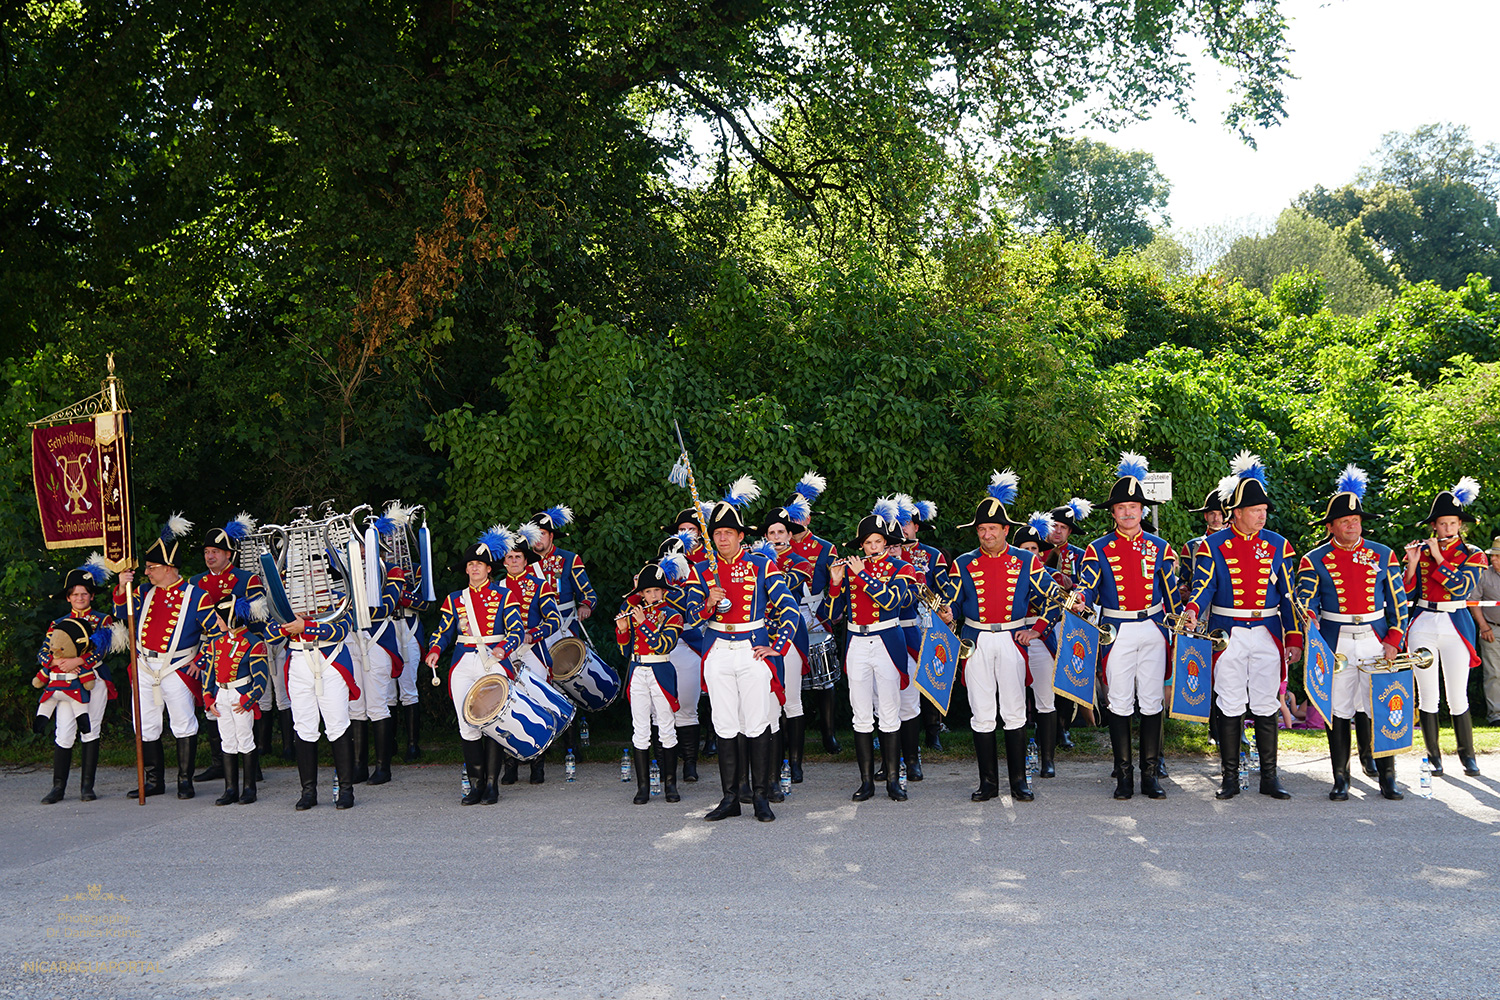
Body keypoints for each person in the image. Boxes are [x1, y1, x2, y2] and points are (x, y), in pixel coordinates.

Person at [937, 471, 1060, 803]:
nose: (987, 534)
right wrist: (948, 614)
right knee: (981, 711)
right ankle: (988, 783)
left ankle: (1019, 781)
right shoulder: (962, 563)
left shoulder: (1026, 561)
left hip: (1011, 639)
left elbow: (1054, 598)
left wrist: (1038, 628)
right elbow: (953, 603)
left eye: (993, 528)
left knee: (1015, 710)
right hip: (976, 642)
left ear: (1006, 530)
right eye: (981, 529)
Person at [1181, 453, 1299, 800]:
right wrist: (1191, 608)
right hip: (1227, 633)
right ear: (1237, 512)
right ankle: (1230, 778)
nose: (1262, 515)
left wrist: (1293, 636)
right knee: (1230, 703)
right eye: (1255, 510)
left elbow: (1288, 596)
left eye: (1264, 510)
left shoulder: (1279, 545)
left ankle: (1269, 777)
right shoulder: (1212, 545)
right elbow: (1203, 587)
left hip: (1267, 632)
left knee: (1265, 703)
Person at [1291, 466, 1408, 801]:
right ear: (1331, 526)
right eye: (1345, 521)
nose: (1352, 524)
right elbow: (1305, 597)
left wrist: (1394, 640)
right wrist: (1307, 615)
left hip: (1375, 635)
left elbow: (1399, 603)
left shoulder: (1383, 553)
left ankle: (1388, 777)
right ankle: (1341, 778)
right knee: (1339, 708)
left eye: (1356, 520)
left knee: (1382, 706)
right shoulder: (1314, 559)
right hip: (1336, 639)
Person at [1076, 454, 1180, 800]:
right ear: (1113, 512)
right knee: (1119, 702)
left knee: (1151, 701)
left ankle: (1151, 774)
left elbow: (1172, 595)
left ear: (1143, 510)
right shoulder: (1098, 548)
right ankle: (1124, 776)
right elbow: (1087, 584)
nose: (1128, 513)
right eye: (1121, 507)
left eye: (1134, 507)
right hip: (1116, 630)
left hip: (1152, 627)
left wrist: (1182, 626)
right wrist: (1078, 598)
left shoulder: (1161, 547)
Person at [697, 477, 800, 823]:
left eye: (728, 532)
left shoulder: (761, 564)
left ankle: (760, 795)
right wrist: (708, 603)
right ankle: (729, 797)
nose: (722, 538)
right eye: (717, 533)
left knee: (757, 723)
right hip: (717, 649)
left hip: (752, 647)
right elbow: (687, 618)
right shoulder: (702, 570)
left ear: (741, 536)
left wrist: (778, 646)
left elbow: (789, 609)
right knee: (724, 723)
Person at [114, 515, 218, 800]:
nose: (147, 573)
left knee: (183, 722)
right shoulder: (144, 592)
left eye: (151, 568)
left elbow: (216, 633)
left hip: (178, 666)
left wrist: (202, 660)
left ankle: (185, 780)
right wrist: (122, 586)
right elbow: (122, 613)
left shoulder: (196, 596)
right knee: (145, 724)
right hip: (145, 665)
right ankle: (153, 780)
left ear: (169, 568)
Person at [424, 527, 526, 805]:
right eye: (470, 565)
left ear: (489, 569)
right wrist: (434, 649)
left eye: (478, 564)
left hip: (492, 660)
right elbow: (444, 631)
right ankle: (476, 785)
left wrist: (504, 648)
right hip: (463, 661)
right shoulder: (455, 599)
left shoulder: (504, 596)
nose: (474, 569)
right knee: (466, 724)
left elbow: (516, 631)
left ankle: (492, 785)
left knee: (492, 722)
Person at [828, 499, 918, 802]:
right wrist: (835, 582)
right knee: (861, 713)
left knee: (890, 711)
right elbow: (832, 613)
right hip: (856, 643)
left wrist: (863, 575)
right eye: (868, 542)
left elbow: (892, 601)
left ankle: (894, 779)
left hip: (887, 641)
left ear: (887, 543)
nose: (873, 547)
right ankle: (867, 781)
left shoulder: (902, 567)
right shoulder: (851, 570)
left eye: (878, 541)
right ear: (862, 545)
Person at [1403, 477, 1487, 777]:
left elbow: (1462, 588)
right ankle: (1433, 756)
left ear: (1460, 525)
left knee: (1457, 694)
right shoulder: (1421, 551)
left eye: (1453, 523)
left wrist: (1437, 557)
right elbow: (1406, 592)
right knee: (1427, 694)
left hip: (1455, 623)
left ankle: (1468, 757)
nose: (1448, 529)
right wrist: (1412, 564)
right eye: (1443, 524)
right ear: (1434, 526)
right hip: (1424, 621)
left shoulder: (1474, 553)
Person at [35, 554, 121, 803]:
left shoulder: (103, 620)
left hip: (92, 679)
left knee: (90, 729)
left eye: (84, 594)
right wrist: (53, 662)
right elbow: (43, 651)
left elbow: (102, 650)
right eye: (75, 594)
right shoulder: (58, 623)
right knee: (63, 731)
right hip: (63, 682)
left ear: (92, 596)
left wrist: (79, 661)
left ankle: (87, 787)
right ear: (68, 597)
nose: (80, 598)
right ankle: (58, 788)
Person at [190, 514, 268, 785]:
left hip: (241, 647)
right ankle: (219, 762)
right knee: (214, 703)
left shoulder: (247, 579)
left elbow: (258, 618)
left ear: (228, 555)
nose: (209, 557)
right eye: (207, 552)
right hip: (207, 648)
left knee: (241, 705)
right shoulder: (195, 582)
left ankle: (252, 765)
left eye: (215, 552)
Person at [616, 562, 685, 804]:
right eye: (647, 591)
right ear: (641, 594)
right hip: (638, 671)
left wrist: (643, 622)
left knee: (666, 727)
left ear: (664, 591)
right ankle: (643, 787)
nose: (652, 595)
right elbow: (625, 651)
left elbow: (665, 645)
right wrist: (623, 630)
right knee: (640, 729)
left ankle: (670, 785)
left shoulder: (674, 614)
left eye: (656, 590)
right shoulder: (634, 613)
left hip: (661, 670)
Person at [502, 521, 565, 784]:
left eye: (518, 557)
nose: (514, 561)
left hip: (532, 650)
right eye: (509, 557)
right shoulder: (495, 588)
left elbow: (554, 620)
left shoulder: (540, 585)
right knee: (505, 706)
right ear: (504, 562)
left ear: (525, 560)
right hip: (505, 651)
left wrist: (534, 633)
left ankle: (538, 765)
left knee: (536, 703)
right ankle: (510, 765)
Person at [786, 472, 844, 754]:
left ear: (808, 518)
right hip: (787, 617)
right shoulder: (777, 546)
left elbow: (837, 583)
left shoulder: (825, 547)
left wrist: (832, 612)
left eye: (800, 517)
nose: (795, 523)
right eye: (791, 518)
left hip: (818, 613)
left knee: (825, 681)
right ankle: (787, 733)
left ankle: (828, 733)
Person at [197, 594, 270, 805]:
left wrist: (249, 698)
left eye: (220, 618)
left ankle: (249, 788)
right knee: (227, 740)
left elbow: (261, 678)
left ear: (231, 618)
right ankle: (230, 788)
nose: (217, 622)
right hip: (221, 695)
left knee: (245, 738)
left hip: (240, 695)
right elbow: (210, 673)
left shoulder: (254, 643)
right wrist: (208, 697)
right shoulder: (215, 643)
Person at [759, 505, 814, 786]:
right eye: (772, 533)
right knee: (768, 703)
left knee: (791, 700)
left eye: (782, 532)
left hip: (789, 635)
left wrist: (767, 563)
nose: (777, 536)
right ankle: (773, 762)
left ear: (790, 535)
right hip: (761, 638)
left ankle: (795, 763)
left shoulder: (801, 562)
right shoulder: (756, 561)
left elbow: (784, 585)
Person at [1011, 512, 1063, 779]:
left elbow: (1057, 607)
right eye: (1025, 549)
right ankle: (1018, 760)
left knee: (1045, 699)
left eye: (1035, 549)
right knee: (1014, 701)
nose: (1031, 553)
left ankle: (1048, 758)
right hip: (1012, 637)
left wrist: (1037, 630)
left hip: (1041, 638)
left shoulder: (1052, 575)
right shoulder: (1008, 573)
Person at [1046, 498, 1092, 749]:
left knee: (1067, 671)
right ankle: (1040, 724)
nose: (1058, 530)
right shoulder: (1034, 552)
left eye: (1064, 527)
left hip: (1068, 619)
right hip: (1040, 620)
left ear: (1070, 531)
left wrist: (1072, 585)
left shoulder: (1081, 555)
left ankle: (1063, 727)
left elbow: (1087, 586)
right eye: (1055, 526)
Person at [1476, 537, 1500, 726]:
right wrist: (1484, 627)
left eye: (1498, 557)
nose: (1493, 560)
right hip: (1492, 629)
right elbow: (1474, 603)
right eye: (1493, 556)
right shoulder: (1483, 575)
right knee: (1493, 673)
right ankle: (1496, 716)